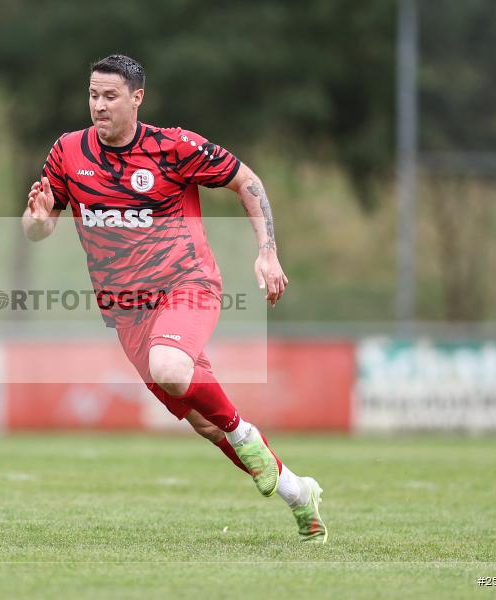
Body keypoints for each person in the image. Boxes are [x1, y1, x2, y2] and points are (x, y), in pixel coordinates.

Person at [21, 54, 327, 543]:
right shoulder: (67, 152)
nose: (98, 106)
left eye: (110, 96)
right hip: (126, 310)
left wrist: (267, 253)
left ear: (137, 98)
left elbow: (248, 182)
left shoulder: (174, 146)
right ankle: (296, 491)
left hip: (188, 283)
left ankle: (248, 438)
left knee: (171, 369)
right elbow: (39, 228)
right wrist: (37, 219)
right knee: (205, 424)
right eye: (93, 96)